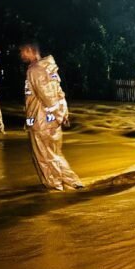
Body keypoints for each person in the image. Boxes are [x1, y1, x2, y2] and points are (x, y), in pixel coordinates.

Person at [19, 42, 83, 191]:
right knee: (54, 153)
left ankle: (55, 187)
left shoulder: (35, 70)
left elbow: (47, 96)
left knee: (43, 156)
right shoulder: (49, 68)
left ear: (30, 50)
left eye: (22, 51)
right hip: (50, 120)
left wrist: (57, 115)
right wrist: (63, 113)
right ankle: (73, 182)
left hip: (41, 121)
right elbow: (59, 93)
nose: (20, 55)